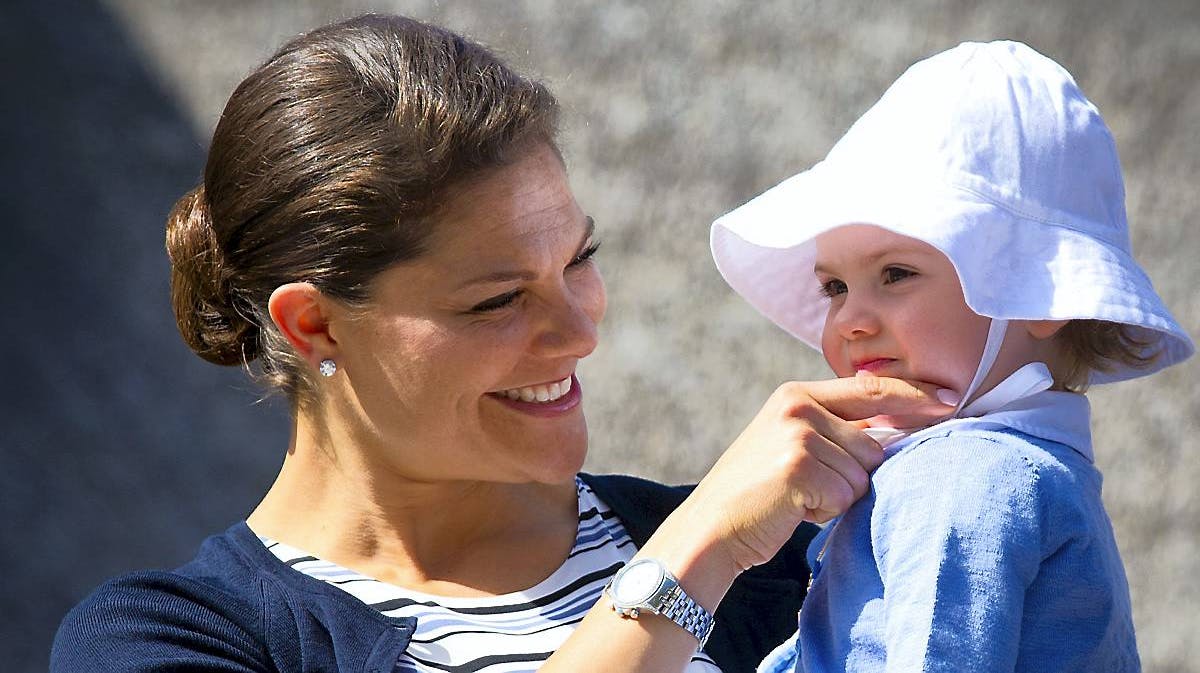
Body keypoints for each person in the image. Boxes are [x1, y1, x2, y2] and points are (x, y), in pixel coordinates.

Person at [50, 14, 960, 673]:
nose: (580, 328)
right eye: (497, 301)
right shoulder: (166, 640)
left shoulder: (794, 566)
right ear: (313, 324)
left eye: (580, 258)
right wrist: (693, 558)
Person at [710, 40, 1195, 672]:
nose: (851, 321)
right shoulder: (1033, 465)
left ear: (1037, 293)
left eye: (896, 274)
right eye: (834, 287)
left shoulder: (962, 474)